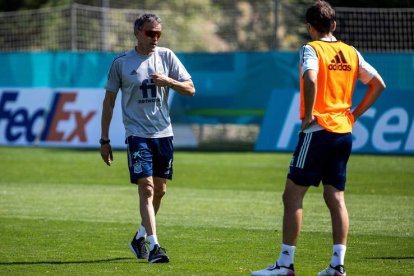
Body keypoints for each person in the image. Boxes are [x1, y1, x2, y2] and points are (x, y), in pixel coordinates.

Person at [251, 1, 385, 275]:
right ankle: (337, 265)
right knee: (335, 198)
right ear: (333, 25)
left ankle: (285, 264)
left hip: (318, 129)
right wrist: (354, 115)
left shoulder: (310, 49)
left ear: (309, 27)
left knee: (292, 196)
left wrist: (308, 114)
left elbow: (310, 80)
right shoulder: (351, 52)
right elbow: (378, 84)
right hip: (343, 133)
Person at [100, 13, 195, 263]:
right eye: (150, 33)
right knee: (147, 188)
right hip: (137, 135)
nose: (155, 38)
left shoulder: (167, 57)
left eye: (158, 34)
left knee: (160, 190)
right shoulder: (121, 63)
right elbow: (108, 103)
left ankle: (139, 236)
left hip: (163, 134)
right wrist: (104, 140)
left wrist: (169, 81)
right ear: (137, 33)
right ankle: (155, 247)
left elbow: (191, 89)